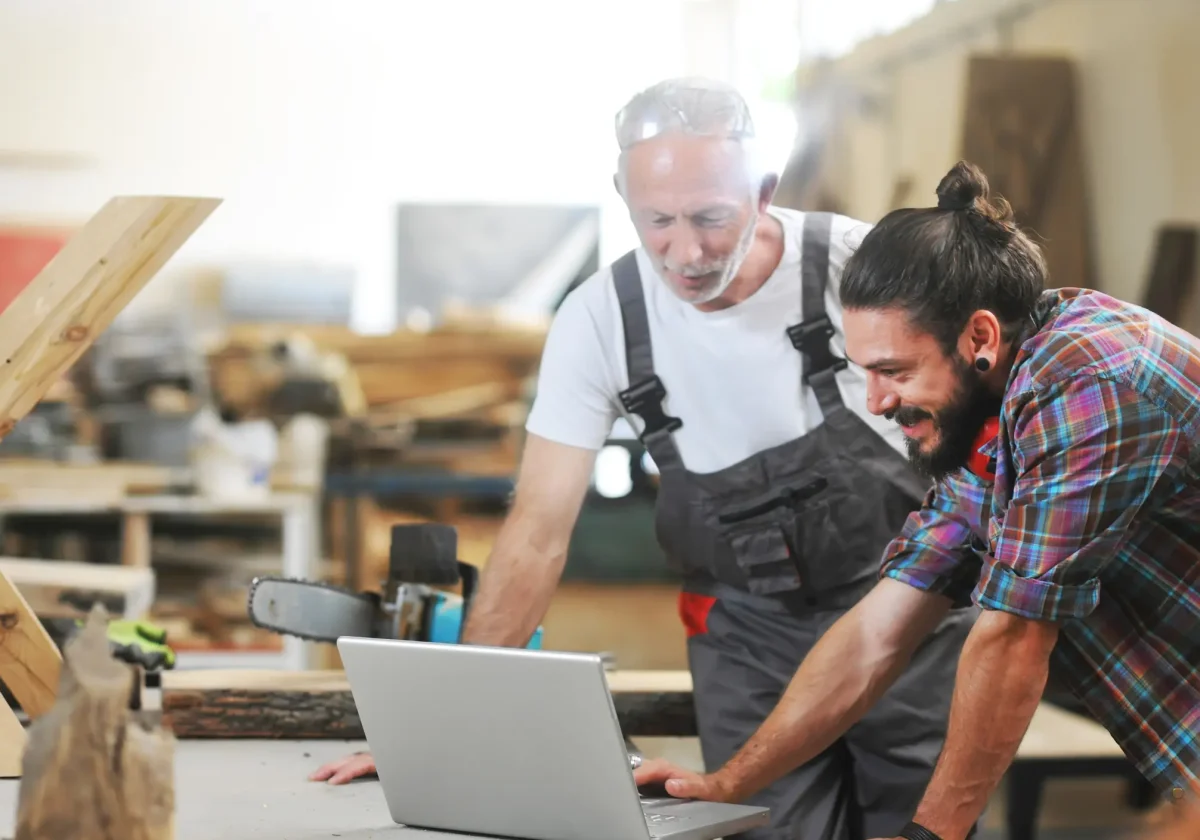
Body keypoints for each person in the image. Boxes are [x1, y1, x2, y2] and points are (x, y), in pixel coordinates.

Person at [311, 77, 979, 840]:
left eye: (711, 219)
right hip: (751, 642)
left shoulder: (858, 267)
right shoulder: (601, 319)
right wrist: (443, 734)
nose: (685, 253)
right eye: (656, 220)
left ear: (762, 192)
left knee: (925, 827)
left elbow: (976, 442)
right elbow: (536, 531)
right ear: (622, 193)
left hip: (908, 613)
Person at [633, 159, 1200, 840]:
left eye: (894, 371)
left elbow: (1013, 635)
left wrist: (930, 835)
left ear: (980, 338)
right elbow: (880, 629)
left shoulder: (1095, 385)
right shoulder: (998, 412)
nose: (876, 402)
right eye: (864, 373)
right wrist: (726, 783)